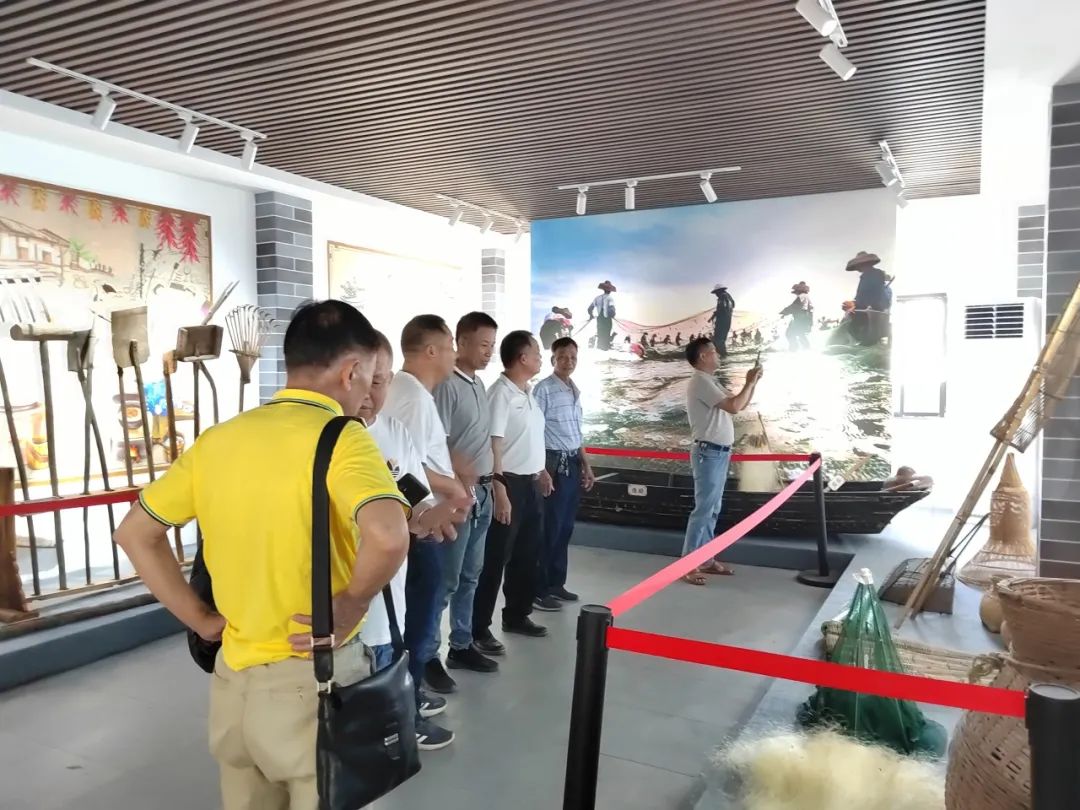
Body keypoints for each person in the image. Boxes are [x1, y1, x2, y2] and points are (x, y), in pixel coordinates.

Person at [114, 301, 469, 808]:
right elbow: (389, 536)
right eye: (369, 378)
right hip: (313, 682)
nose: (370, 394)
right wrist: (352, 602)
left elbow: (135, 533)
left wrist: (201, 619)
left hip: (233, 685)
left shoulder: (220, 439)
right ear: (350, 371)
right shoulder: (341, 437)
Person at [382, 314, 466, 746]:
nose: (455, 353)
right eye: (451, 345)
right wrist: (447, 492)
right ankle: (406, 711)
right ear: (432, 350)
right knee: (418, 616)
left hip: (421, 519)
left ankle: (410, 695)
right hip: (417, 526)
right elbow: (404, 469)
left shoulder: (410, 393)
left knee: (420, 611)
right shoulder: (412, 397)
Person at [432, 312, 504, 669]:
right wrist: (459, 489)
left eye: (492, 345)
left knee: (471, 575)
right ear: (461, 342)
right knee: (446, 579)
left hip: (484, 492)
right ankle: (427, 656)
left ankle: (461, 644)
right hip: (459, 496)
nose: (489, 352)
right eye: (483, 345)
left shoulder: (478, 384)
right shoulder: (447, 385)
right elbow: (437, 443)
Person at [473, 330, 548, 644]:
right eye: (537, 353)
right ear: (522, 357)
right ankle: (478, 628)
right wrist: (500, 488)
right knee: (495, 558)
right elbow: (495, 444)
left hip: (531, 483)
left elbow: (529, 438)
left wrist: (542, 471)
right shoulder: (500, 394)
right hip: (509, 484)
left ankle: (517, 614)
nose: (541, 358)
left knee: (527, 554)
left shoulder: (527, 392)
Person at [680, 337, 761, 586]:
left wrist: (753, 383)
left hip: (718, 453)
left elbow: (739, 403)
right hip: (709, 453)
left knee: (712, 509)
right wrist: (749, 382)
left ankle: (705, 559)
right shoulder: (700, 382)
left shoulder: (710, 381)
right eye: (714, 351)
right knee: (704, 509)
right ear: (703, 356)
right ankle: (688, 563)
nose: (718, 355)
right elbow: (734, 406)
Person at [533, 337, 595, 610]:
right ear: (553, 359)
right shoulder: (543, 390)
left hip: (572, 462)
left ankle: (556, 583)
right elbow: (534, 431)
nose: (568, 361)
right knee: (549, 527)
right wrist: (541, 470)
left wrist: (586, 465)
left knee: (565, 527)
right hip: (552, 463)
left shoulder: (574, 390)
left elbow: (576, 433)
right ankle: (538, 589)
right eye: (563, 357)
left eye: (573, 357)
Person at [780, 281, 813, 351]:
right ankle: (805, 349)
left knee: (790, 333)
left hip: (800, 320)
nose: (795, 292)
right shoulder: (805, 297)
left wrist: (784, 312)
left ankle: (795, 349)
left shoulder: (802, 296)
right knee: (800, 334)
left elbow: (795, 307)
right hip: (803, 320)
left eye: (796, 290)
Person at [587, 280, 617, 351]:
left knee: (600, 334)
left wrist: (591, 316)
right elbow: (612, 310)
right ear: (610, 290)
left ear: (603, 289)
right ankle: (605, 349)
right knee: (606, 334)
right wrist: (613, 315)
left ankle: (599, 349)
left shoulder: (597, 298)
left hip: (599, 319)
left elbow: (589, 309)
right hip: (607, 319)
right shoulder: (610, 298)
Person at [707, 284, 735, 357]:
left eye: (716, 293)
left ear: (719, 291)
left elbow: (721, 308)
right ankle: (723, 355)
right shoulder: (729, 297)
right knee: (721, 339)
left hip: (722, 321)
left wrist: (714, 316)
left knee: (718, 339)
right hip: (727, 320)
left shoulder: (722, 297)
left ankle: (723, 356)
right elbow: (733, 305)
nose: (716, 295)